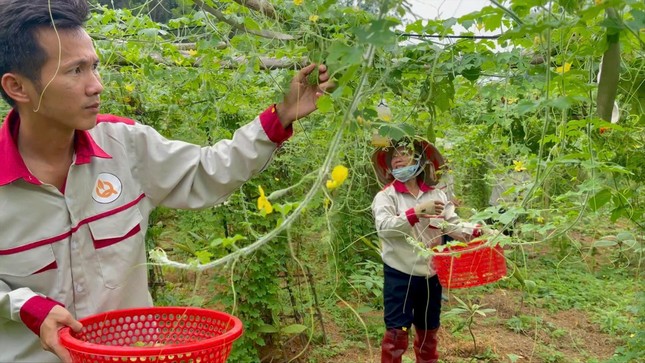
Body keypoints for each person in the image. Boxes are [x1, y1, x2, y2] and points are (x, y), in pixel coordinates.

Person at [0, 0, 332, 362]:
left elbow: (207, 171)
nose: (96, 85)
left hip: (130, 355)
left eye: (94, 66)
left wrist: (281, 115)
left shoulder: (126, 146)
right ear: (18, 86)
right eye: (75, 71)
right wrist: (24, 305)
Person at [371, 136, 481, 363]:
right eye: (394, 156)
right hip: (399, 274)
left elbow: (451, 224)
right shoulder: (386, 196)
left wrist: (477, 231)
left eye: (405, 153)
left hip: (431, 275)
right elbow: (384, 228)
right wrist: (415, 212)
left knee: (428, 331)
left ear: (420, 158)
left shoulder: (437, 195)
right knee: (396, 333)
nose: (398, 160)